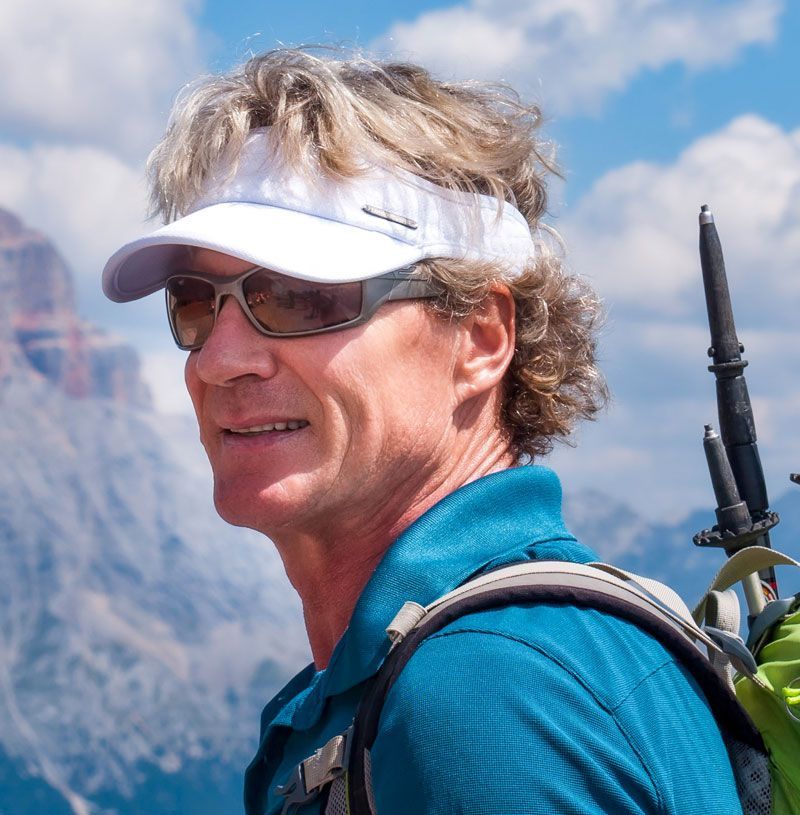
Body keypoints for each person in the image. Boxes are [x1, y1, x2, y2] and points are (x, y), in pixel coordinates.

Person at [102, 49, 742, 814]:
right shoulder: (461, 663)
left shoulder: (486, 694)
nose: (217, 358)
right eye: (196, 300)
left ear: (479, 338)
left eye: (299, 295)